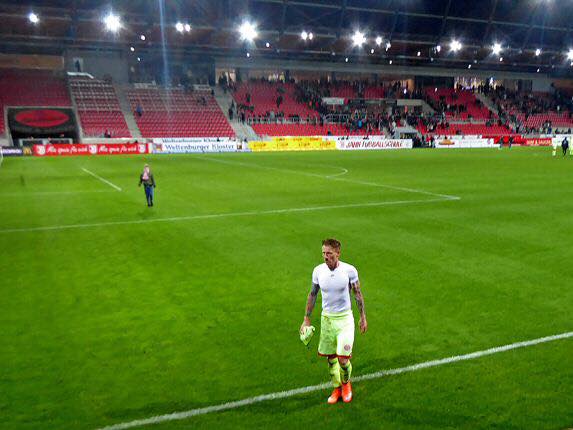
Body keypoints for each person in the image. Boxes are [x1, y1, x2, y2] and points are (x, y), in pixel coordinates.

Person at [300, 238, 367, 404]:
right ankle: (336, 388)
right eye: (323, 253)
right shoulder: (318, 271)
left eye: (328, 253)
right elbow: (313, 294)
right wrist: (306, 319)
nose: (325, 256)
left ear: (338, 253)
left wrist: (363, 317)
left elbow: (357, 294)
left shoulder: (349, 270)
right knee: (331, 359)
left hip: (345, 319)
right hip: (327, 320)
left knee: (343, 360)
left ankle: (346, 385)